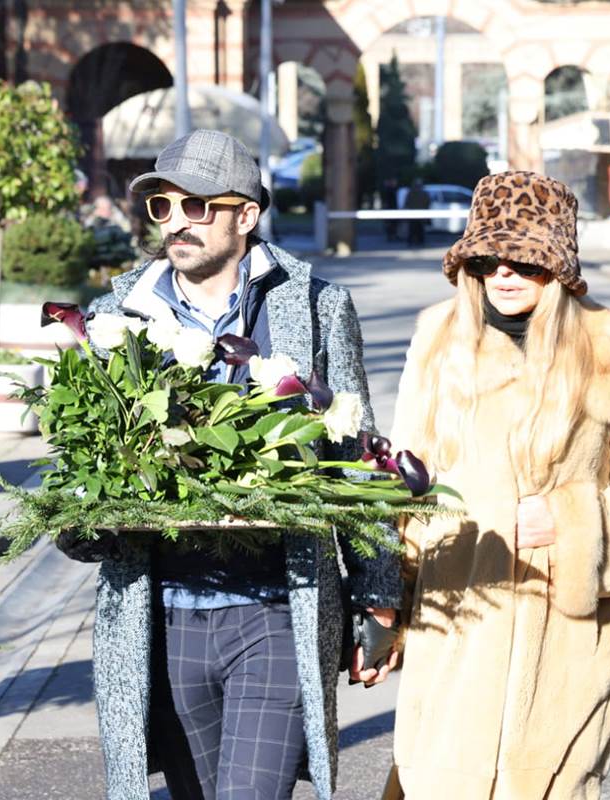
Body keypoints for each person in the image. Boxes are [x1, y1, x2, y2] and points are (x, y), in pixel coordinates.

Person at [61, 129, 402, 800]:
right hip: (163, 615)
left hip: (274, 608)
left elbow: (356, 456)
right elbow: (84, 465)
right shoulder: (114, 316)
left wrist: (380, 600)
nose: (176, 223)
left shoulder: (314, 307)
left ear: (246, 215)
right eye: (163, 206)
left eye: (198, 207)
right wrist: (86, 516)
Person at [381, 172, 610, 799]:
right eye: (488, 257)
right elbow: (400, 490)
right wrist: (385, 608)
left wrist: (577, 523)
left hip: (566, 654)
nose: (504, 272)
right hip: (455, 637)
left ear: (560, 270)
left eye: (525, 259)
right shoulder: (438, 345)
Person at [402, 179, 430, 247]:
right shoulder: (424, 193)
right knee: (420, 228)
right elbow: (427, 202)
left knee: (412, 228)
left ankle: (410, 242)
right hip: (421, 213)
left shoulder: (410, 192)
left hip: (412, 213)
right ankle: (420, 242)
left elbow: (407, 203)